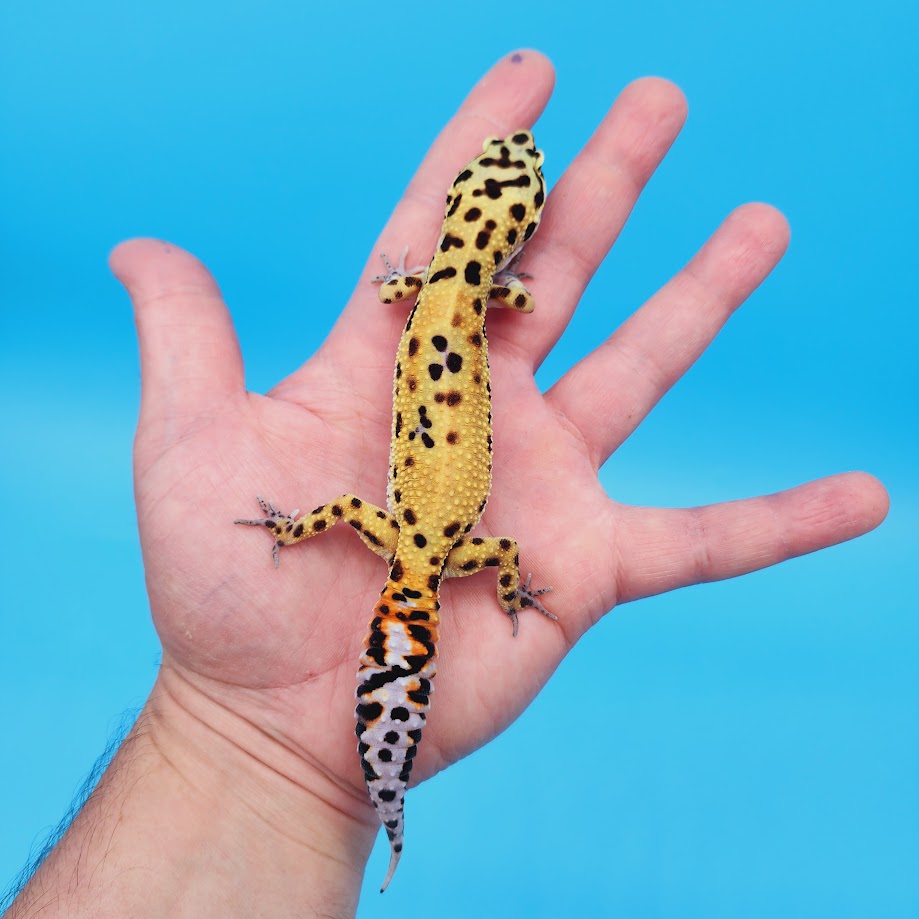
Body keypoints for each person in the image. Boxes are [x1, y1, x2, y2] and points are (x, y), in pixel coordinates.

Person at [6, 51, 887, 918]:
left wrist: (292, 530)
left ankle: (367, 732)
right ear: (511, 229)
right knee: (471, 550)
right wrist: (507, 581)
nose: (527, 171)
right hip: (433, 539)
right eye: (519, 178)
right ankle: (392, 778)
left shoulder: (425, 287)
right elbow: (528, 307)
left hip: (421, 530)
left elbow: (405, 291)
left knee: (357, 519)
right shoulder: (484, 297)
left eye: (520, 177)